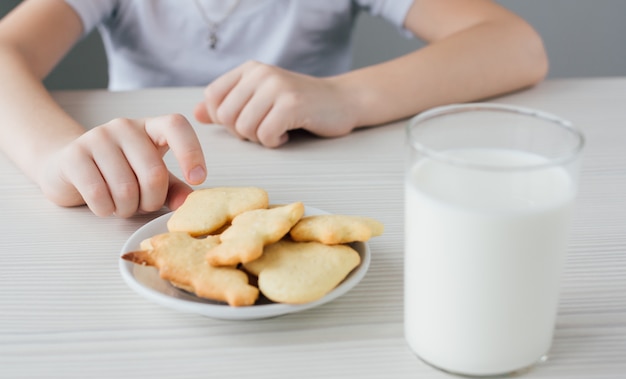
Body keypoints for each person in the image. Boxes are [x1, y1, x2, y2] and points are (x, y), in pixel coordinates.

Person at [0, 0, 548, 218]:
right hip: (144, 198)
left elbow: (515, 45)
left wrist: (347, 97)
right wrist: (56, 157)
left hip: (321, 179)